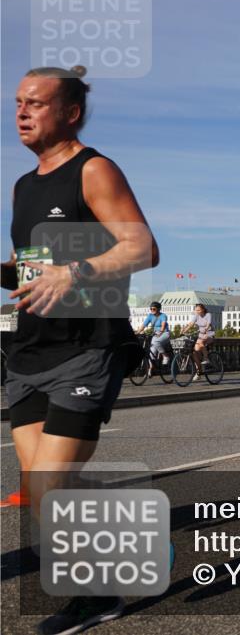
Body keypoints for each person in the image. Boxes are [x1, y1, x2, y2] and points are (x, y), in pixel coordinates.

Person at [2, 65, 158, 632]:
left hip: (87, 348)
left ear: (69, 112)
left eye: (35, 103)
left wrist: (78, 271)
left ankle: (97, 595)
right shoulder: (22, 186)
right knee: (43, 490)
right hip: (30, 353)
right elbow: (34, 266)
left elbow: (143, 245)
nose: (21, 112)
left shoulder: (93, 169)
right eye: (18, 102)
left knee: (50, 484)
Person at [180, 303, 215, 381]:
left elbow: (208, 324)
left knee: (201, 343)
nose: (197, 311)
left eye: (198, 310)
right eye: (196, 310)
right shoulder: (196, 316)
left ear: (202, 309)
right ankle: (199, 372)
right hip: (200, 334)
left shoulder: (208, 315)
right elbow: (191, 324)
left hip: (209, 333)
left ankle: (206, 358)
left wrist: (206, 329)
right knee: (195, 352)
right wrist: (184, 330)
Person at [136, 300, 171, 372]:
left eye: (154, 309)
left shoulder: (163, 316)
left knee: (156, 343)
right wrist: (137, 332)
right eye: (151, 309)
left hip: (164, 333)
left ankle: (165, 356)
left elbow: (163, 325)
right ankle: (151, 368)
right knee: (151, 352)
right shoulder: (150, 316)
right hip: (155, 334)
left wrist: (161, 332)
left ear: (158, 309)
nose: (152, 310)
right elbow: (143, 325)